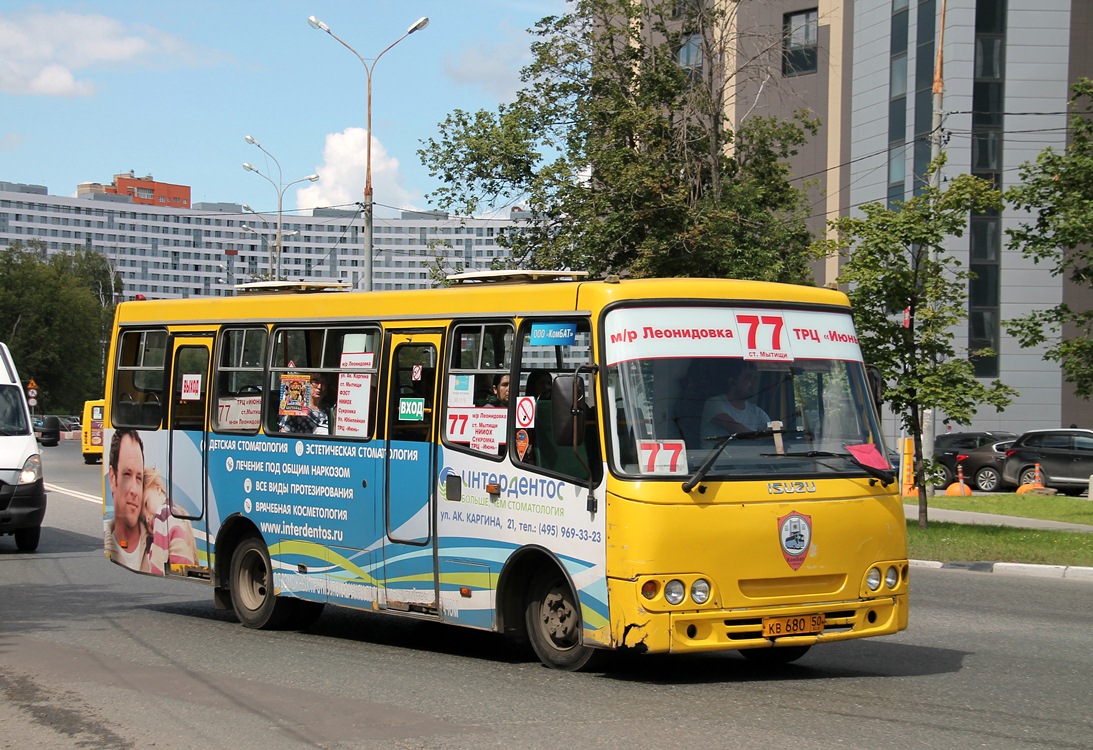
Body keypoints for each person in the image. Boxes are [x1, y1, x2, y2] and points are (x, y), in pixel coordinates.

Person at [141, 466, 198, 574]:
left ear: (158, 489)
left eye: (146, 504)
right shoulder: (178, 513)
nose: (147, 518)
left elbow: (157, 569)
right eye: (143, 518)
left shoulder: (163, 515)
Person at [105, 428, 146, 570]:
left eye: (139, 478)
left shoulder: (160, 547)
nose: (134, 490)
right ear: (112, 478)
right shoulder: (110, 545)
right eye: (127, 475)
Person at [700, 359, 770, 439]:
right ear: (732, 382)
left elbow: (772, 432)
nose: (753, 383)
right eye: (748, 378)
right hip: (716, 452)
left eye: (754, 378)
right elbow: (733, 427)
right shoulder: (714, 403)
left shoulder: (756, 412)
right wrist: (758, 438)